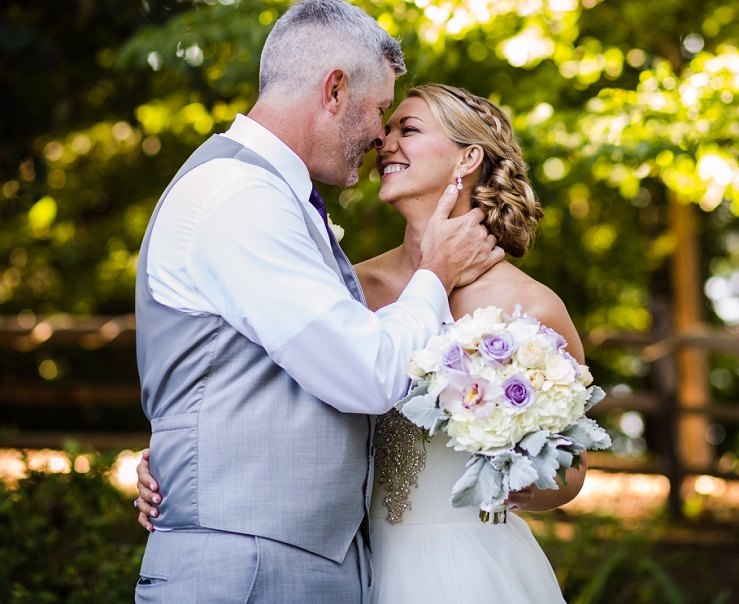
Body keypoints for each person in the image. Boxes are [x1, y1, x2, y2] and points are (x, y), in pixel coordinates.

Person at [138, 84, 587, 604]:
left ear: (468, 157)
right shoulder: (349, 285)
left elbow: (573, 468)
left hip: (468, 569)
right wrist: (187, 456)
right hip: (347, 563)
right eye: (386, 126)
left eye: (408, 128)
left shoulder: (529, 309)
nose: (383, 139)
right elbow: (272, 387)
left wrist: (529, 484)